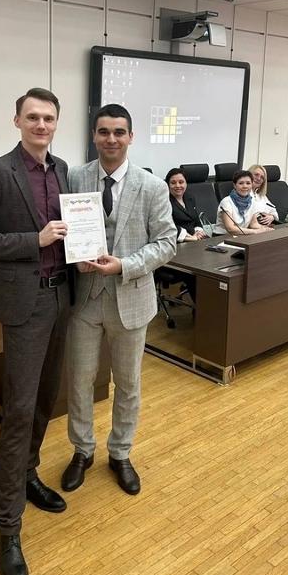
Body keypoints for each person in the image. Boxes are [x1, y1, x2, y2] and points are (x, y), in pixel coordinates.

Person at [0, 88, 70, 575]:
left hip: (62, 298)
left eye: (48, 118)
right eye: (33, 117)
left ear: (56, 123)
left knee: (46, 402)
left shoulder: (62, 170)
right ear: (17, 121)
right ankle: (7, 529)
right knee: (20, 412)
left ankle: (28, 476)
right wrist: (35, 240)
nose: (41, 125)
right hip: (24, 307)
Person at [60, 104, 177, 496]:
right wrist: (74, 257)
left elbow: (167, 243)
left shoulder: (152, 186)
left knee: (127, 383)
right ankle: (82, 449)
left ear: (130, 137)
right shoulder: (75, 178)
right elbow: (65, 230)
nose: (111, 139)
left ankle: (121, 452)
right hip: (84, 299)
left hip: (131, 298)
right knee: (79, 380)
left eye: (119, 132)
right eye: (104, 131)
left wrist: (125, 265)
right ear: (94, 136)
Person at [214, 170, 274, 235]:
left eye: (248, 183)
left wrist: (265, 229)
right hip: (222, 236)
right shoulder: (226, 202)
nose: (245, 186)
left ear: (251, 185)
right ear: (234, 185)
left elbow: (253, 224)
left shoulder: (252, 201)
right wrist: (255, 231)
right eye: (241, 183)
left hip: (241, 236)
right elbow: (230, 229)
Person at [165, 167, 208, 242]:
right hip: (176, 241)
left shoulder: (190, 197)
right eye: (173, 183)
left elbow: (196, 220)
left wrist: (198, 232)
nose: (177, 185)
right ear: (168, 185)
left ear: (186, 183)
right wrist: (191, 238)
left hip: (195, 238)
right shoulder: (164, 201)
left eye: (181, 182)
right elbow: (168, 226)